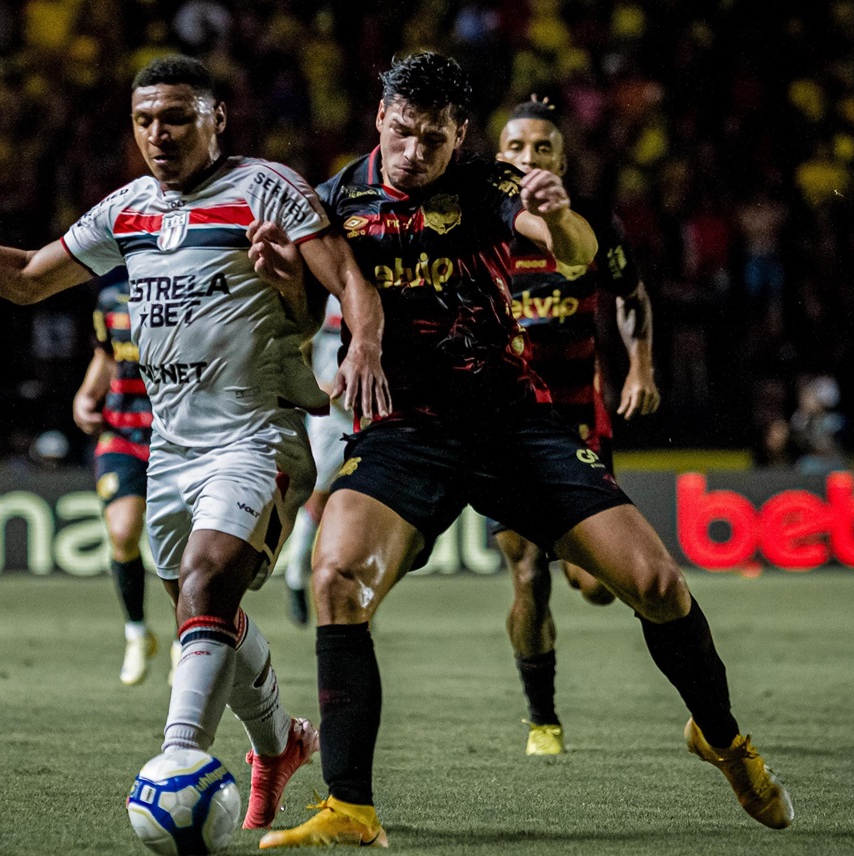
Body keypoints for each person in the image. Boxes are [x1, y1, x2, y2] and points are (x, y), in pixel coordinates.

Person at [260, 52, 793, 849]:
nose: (414, 153)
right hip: (405, 433)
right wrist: (279, 280)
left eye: (433, 140)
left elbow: (573, 251)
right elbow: (303, 319)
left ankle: (723, 739)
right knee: (336, 577)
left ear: (460, 135)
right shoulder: (334, 203)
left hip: (513, 423)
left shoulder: (489, 186)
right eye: (402, 133)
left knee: (653, 582)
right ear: (379, 118)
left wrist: (561, 211)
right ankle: (351, 807)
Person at [0, 54, 390, 832]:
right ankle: (278, 746)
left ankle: (177, 763)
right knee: (205, 612)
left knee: (209, 584)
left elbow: (345, 279)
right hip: (171, 451)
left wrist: (361, 343)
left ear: (218, 119)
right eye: (144, 120)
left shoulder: (265, 188)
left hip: (257, 433)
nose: (158, 134)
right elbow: (26, 279)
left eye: (176, 117)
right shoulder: (127, 210)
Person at [492, 95, 661, 756]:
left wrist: (641, 366)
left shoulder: (590, 225)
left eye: (542, 148)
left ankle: (580, 560)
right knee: (528, 572)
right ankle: (543, 719)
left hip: (577, 423)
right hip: (505, 427)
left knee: (596, 588)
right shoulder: (481, 227)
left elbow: (633, 294)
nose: (528, 159)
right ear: (498, 157)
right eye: (516, 148)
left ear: (562, 161)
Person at [72, 266, 162, 685]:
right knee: (123, 532)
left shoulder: (190, 287)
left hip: (176, 436)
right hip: (122, 432)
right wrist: (85, 396)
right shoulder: (111, 300)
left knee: (180, 545)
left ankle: (190, 640)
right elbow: (106, 355)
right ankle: (137, 634)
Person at [282, 292, 354, 626]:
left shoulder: (376, 287)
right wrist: (312, 386)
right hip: (330, 415)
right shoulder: (323, 298)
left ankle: (354, 588)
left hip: (368, 409)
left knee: (360, 498)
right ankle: (296, 572)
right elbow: (297, 344)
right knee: (319, 496)